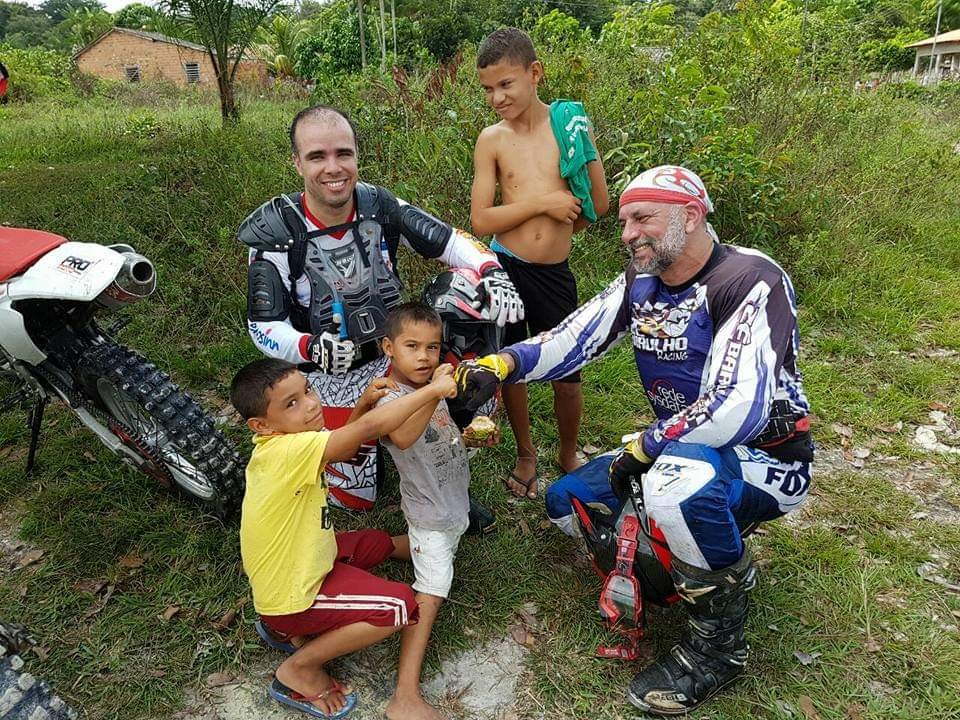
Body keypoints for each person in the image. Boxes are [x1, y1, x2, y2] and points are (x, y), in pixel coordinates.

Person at [451, 165, 814, 714]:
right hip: (677, 448)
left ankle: (718, 650)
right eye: (623, 222)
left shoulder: (749, 278)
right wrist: (501, 365)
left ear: (690, 215)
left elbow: (736, 406)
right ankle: (697, 562)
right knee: (567, 503)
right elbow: (573, 337)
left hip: (767, 457)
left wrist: (646, 447)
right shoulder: (641, 280)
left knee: (677, 491)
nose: (627, 234)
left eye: (642, 218)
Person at [238, 104, 523, 512]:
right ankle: (371, 450)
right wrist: (309, 347)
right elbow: (262, 326)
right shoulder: (277, 232)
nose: (333, 168)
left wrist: (492, 272)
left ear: (357, 155)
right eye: (317, 156)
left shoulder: (378, 205)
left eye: (343, 153)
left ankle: (450, 449)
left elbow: (450, 241)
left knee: (469, 290)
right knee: (356, 499)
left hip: (393, 356)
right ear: (297, 162)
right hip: (325, 378)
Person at [230, 357, 458, 719]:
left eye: (308, 390)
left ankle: (429, 545)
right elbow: (371, 428)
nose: (311, 404)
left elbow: (346, 448)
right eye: (292, 403)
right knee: (398, 606)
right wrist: (433, 390)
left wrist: (363, 403)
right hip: (294, 596)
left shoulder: (287, 442)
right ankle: (299, 668)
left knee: (372, 541)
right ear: (262, 425)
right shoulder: (287, 451)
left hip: (296, 564)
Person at [471, 27, 609, 499]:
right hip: (505, 270)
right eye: (488, 89)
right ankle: (526, 453)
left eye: (506, 84)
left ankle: (569, 453)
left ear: (535, 73)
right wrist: (542, 205)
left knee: (568, 372)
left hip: (553, 274)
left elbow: (598, 204)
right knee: (513, 368)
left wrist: (558, 230)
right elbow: (481, 218)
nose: (497, 98)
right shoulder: (492, 140)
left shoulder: (569, 128)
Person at [375, 303, 474, 720]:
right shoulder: (388, 396)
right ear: (388, 348)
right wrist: (433, 391)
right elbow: (402, 437)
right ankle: (404, 696)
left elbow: (436, 433)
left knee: (439, 543)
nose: (424, 356)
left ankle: (361, 549)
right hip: (429, 512)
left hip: (450, 505)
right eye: (412, 346)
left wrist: (470, 437)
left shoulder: (430, 385)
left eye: (432, 347)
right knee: (431, 591)